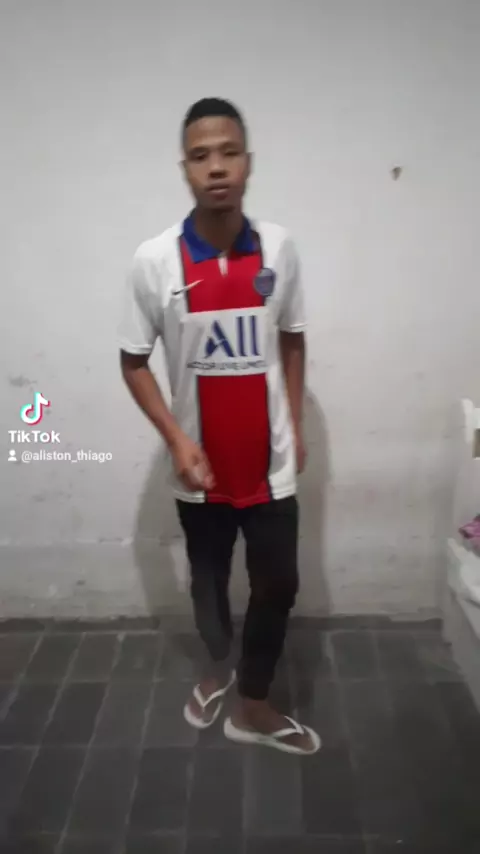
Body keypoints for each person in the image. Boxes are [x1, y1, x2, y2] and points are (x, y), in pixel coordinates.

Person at [119, 97, 320, 755]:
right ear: (185, 169)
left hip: (270, 463)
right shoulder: (155, 260)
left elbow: (293, 338)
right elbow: (133, 362)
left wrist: (295, 421)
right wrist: (177, 440)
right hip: (200, 469)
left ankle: (253, 705)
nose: (216, 167)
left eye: (228, 152)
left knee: (279, 584)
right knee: (207, 584)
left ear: (248, 163)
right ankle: (215, 667)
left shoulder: (280, 248)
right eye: (201, 156)